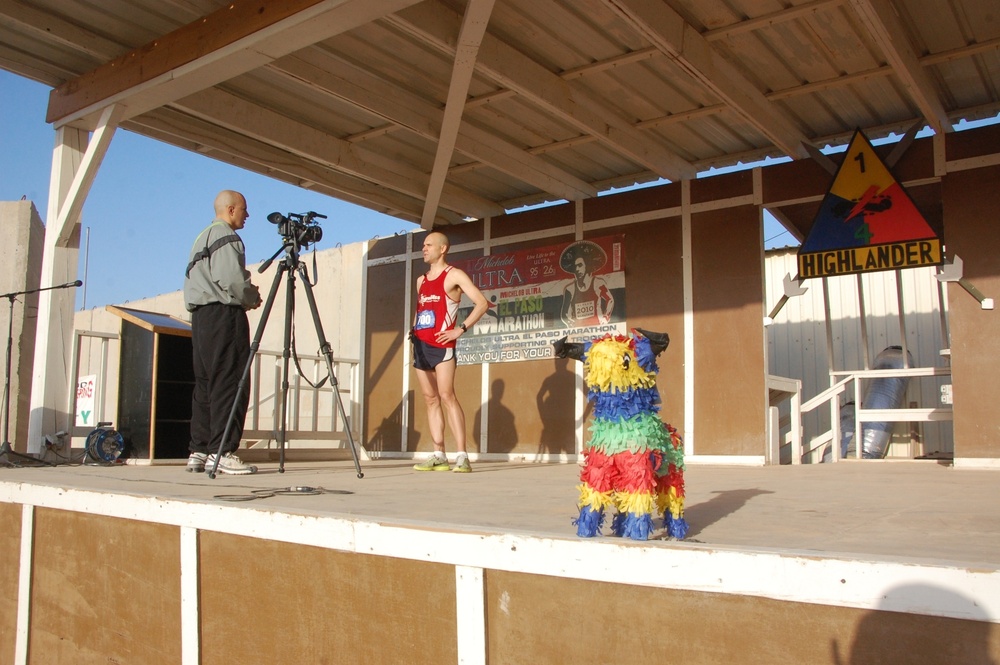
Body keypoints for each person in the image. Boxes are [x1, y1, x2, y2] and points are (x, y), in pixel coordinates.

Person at [183, 190, 262, 475]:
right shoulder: (227, 237)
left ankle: (199, 450)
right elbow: (231, 279)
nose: (247, 215)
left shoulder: (200, 238)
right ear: (230, 210)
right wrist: (251, 297)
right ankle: (223, 451)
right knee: (230, 382)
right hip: (223, 315)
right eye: (243, 209)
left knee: (205, 384)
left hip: (201, 318)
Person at [411, 231, 489, 473]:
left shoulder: (453, 275)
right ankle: (438, 454)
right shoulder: (421, 280)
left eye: (428, 245)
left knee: (447, 396)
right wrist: (413, 332)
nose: (424, 249)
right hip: (420, 345)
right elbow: (422, 310)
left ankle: (462, 456)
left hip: (442, 346)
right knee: (430, 399)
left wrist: (460, 329)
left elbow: (482, 303)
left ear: (442, 249)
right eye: (423, 245)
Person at [560, 241, 614, 327]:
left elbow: (610, 299)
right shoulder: (570, 289)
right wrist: (572, 326)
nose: (577, 269)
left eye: (580, 265)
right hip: (580, 334)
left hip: (597, 331)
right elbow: (565, 314)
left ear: (586, 265)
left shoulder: (597, 283)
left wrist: (605, 317)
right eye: (575, 266)